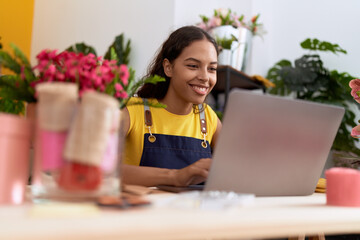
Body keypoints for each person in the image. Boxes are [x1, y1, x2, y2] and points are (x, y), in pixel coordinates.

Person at [121, 25, 222, 187]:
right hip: (144, 211)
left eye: (212, 69)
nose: (205, 77)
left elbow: (238, 169)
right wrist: (175, 176)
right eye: (193, 66)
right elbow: (101, 169)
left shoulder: (209, 118)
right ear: (168, 67)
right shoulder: (133, 110)